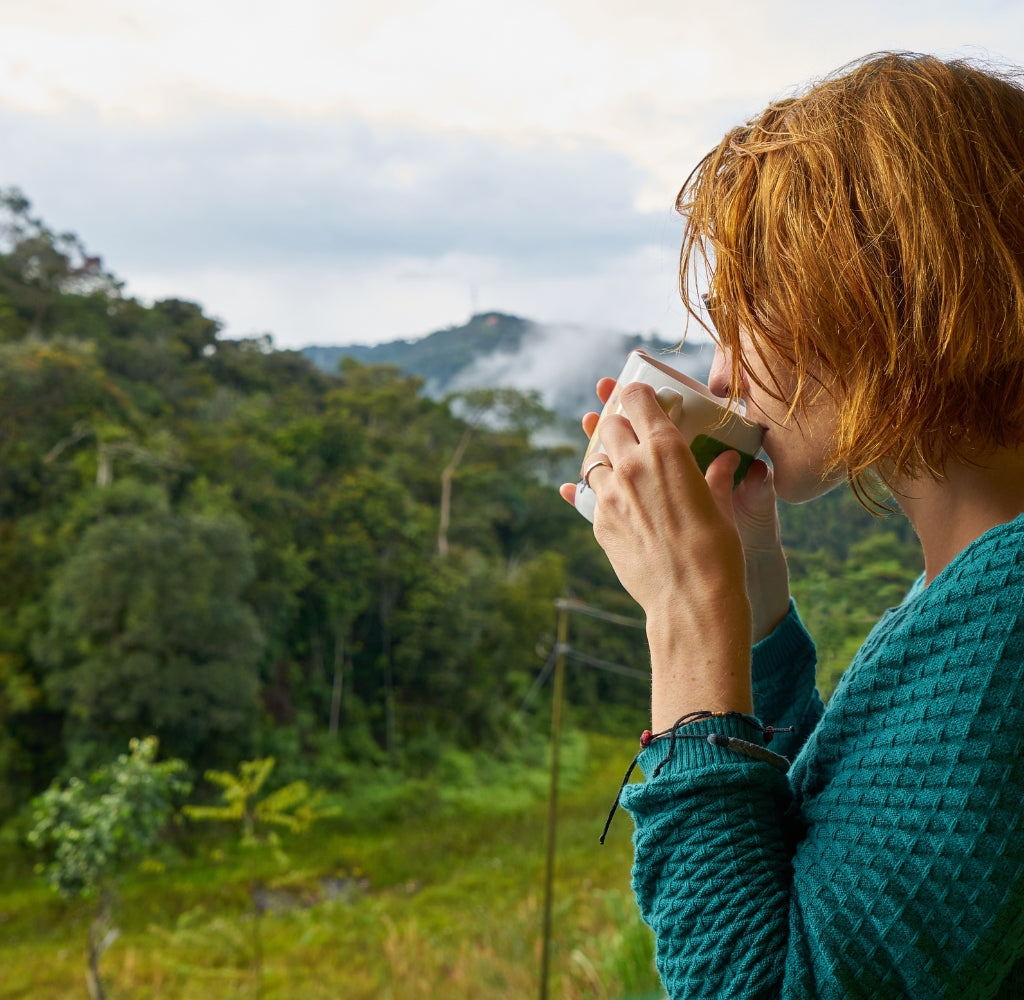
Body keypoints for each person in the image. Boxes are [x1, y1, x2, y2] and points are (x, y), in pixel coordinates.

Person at [559, 52, 1024, 998]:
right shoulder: (974, 581)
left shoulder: (1011, 613)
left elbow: (765, 982)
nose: (722, 375)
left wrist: (688, 624)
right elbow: (847, 855)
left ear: (876, 299)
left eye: (743, 320)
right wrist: (755, 601)